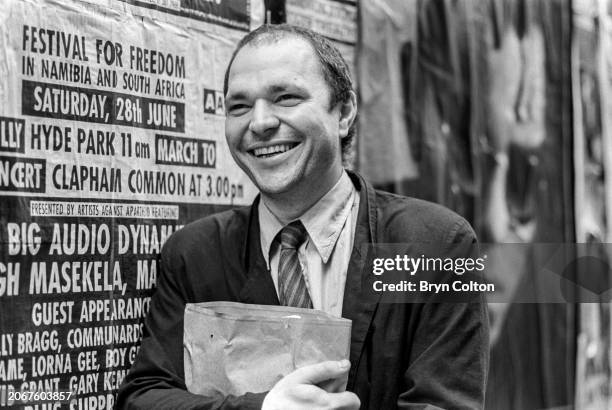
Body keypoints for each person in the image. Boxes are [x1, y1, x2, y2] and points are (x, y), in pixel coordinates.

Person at [117, 24, 489, 410]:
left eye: (286, 97)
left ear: (343, 112)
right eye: (239, 107)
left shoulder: (433, 244)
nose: (259, 123)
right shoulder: (195, 254)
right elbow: (144, 399)